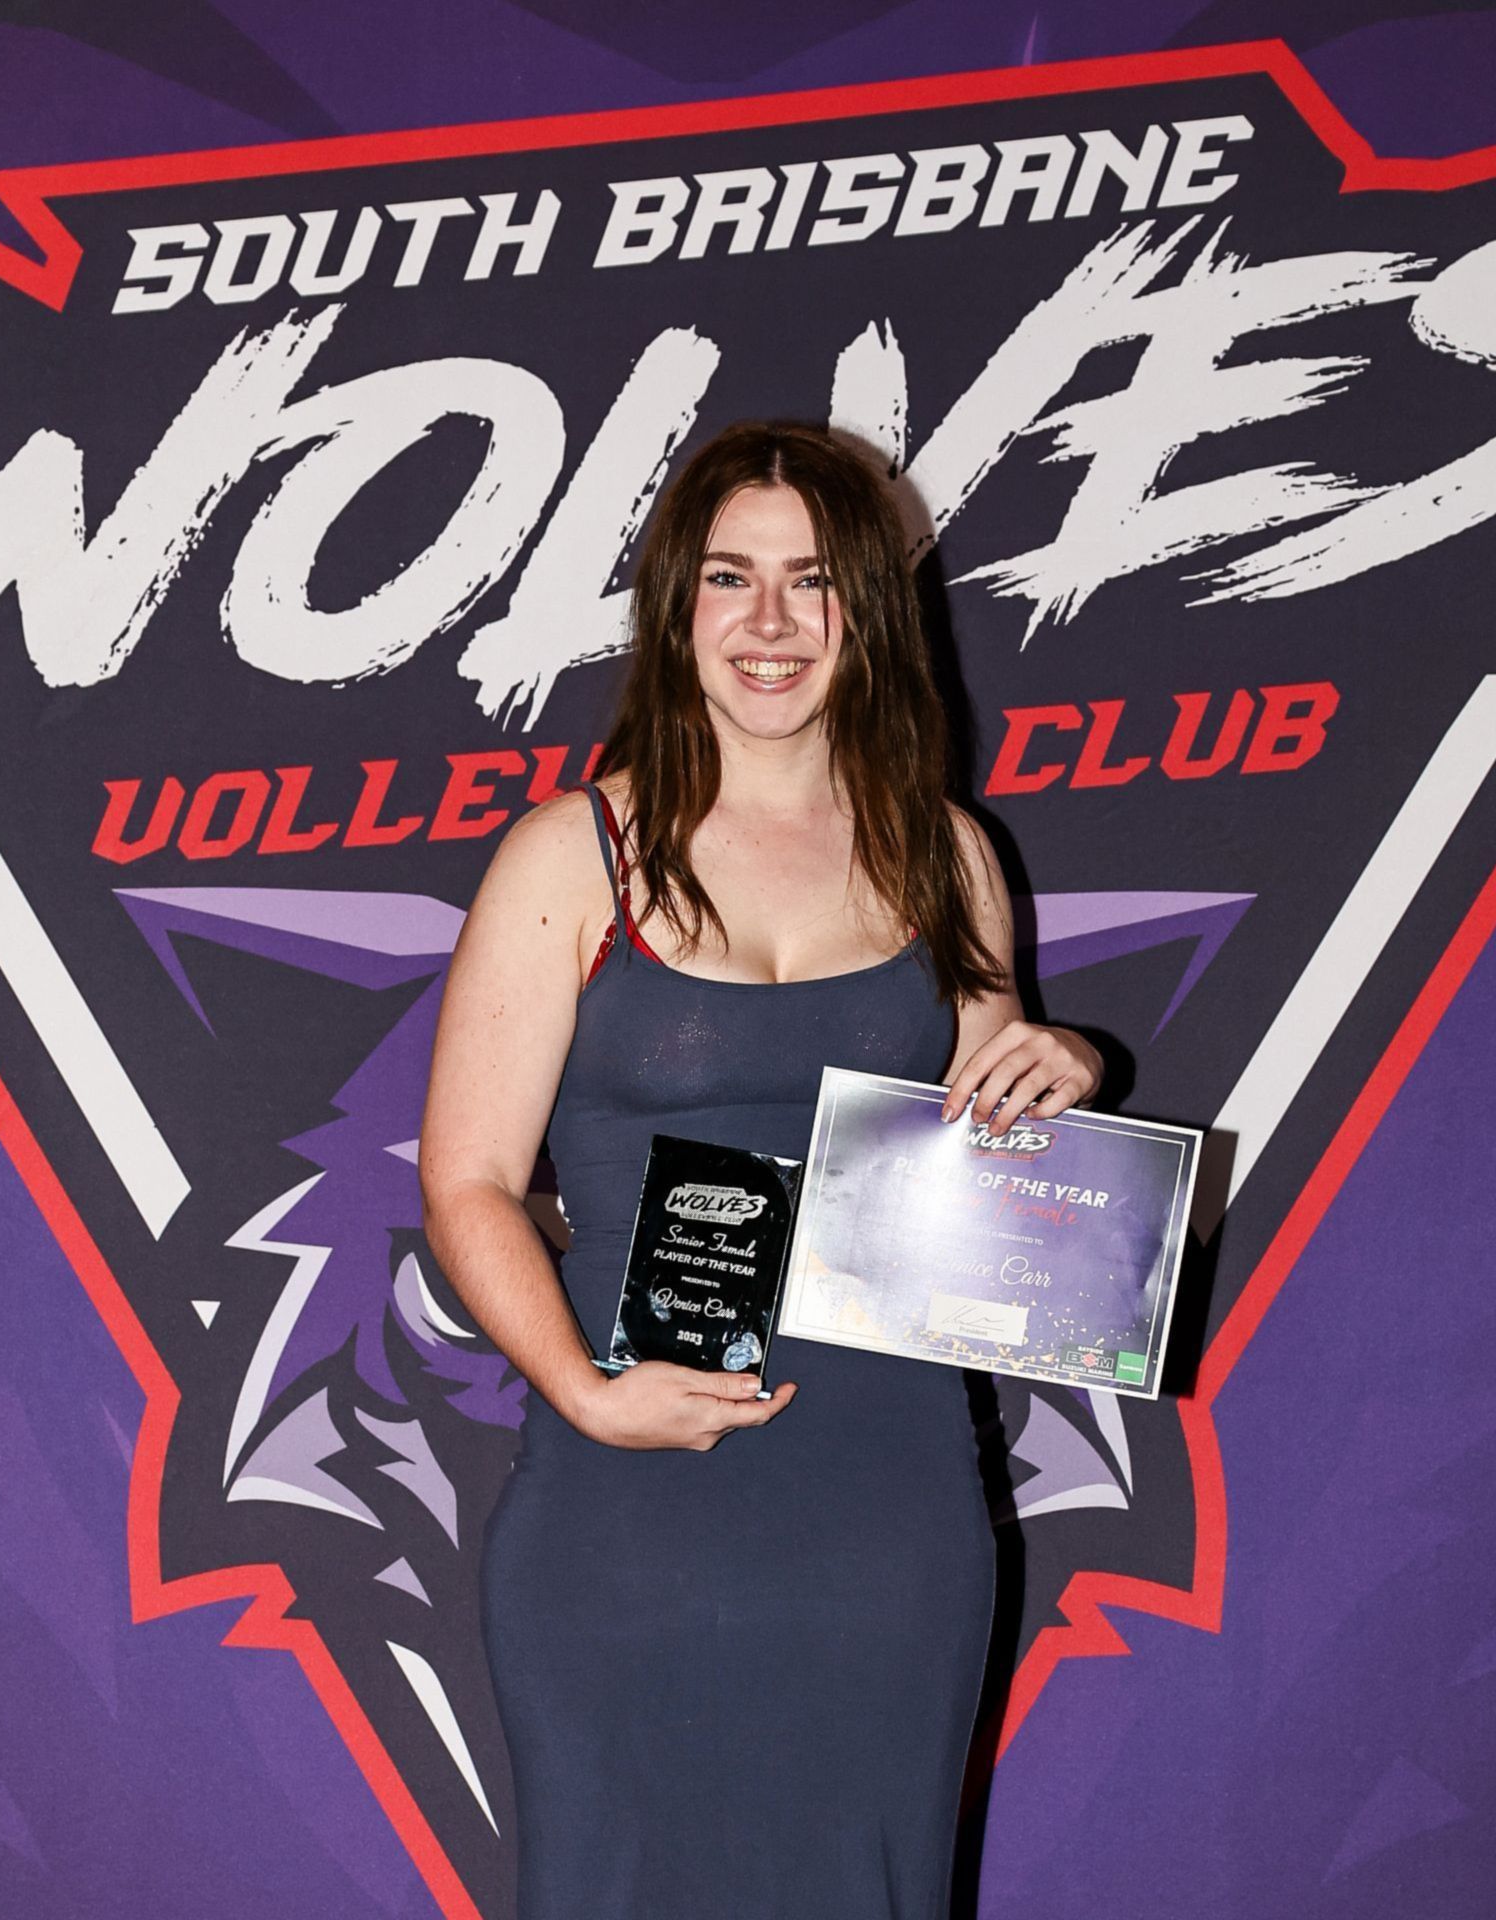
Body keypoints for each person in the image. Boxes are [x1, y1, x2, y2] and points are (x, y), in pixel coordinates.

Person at [417, 420, 1102, 1919]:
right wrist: (588, 1397)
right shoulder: (567, 854)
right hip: (631, 1500)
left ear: (871, 611)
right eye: (731, 578)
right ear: (677, 605)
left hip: (890, 1504)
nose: (770, 624)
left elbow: (1001, 1171)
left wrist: (1062, 1074)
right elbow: (466, 1179)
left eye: (813, 582)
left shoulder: (949, 855)